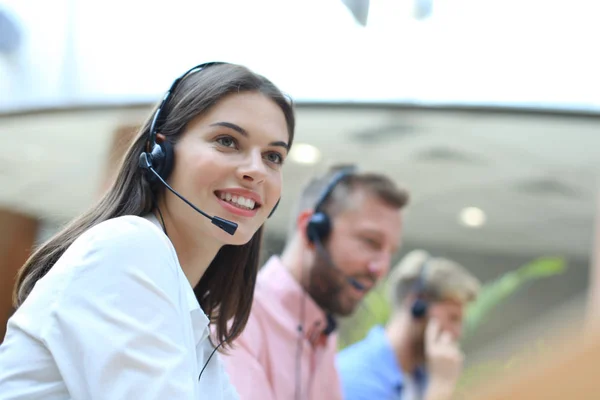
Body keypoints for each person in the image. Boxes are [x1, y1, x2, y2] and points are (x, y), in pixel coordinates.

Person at [0, 61, 295, 399]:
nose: (256, 170)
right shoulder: (128, 248)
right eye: (227, 141)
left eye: (273, 156)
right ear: (160, 152)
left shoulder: (187, 313)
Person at [222, 164, 410, 400]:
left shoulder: (321, 330)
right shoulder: (237, 317)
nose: (380, 269)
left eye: (390, 252)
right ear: (312, 230)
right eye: (370, 242)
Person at [336, 249, 481, 400]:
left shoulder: (421, 378)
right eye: (453, 318)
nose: (458, 333)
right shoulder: (356, 378)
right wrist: (441, 387)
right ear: (417, 306)